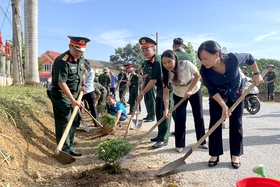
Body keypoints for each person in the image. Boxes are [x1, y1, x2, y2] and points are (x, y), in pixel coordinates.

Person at [197, 40, 263, 169]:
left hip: (236, 94)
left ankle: (235, 154)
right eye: (201, 59)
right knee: (215, 124)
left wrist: (257, 73)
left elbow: (250, 57)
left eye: (205, 58)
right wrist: (223, 105)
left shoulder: (232, 59)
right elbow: (211, 90)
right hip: (218, 97)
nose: (203, 62)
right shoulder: (205, 71)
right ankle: (214, 154)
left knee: (236, 123)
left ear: (217, 55)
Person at [51, 35, 90, 157]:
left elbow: (83, 73)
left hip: (75, 94)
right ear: (70, 46)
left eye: (82, 50)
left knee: (74, 120)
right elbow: (61, 83)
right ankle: (64, 150)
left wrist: (83, 85)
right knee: (65, 120)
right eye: (77, 50)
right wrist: (73, 100)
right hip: (61, 94)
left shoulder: (81, 58)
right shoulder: (62, 61)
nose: (79, 53)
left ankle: (69, 144)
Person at [161, 50, 208, 153]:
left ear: (175, 59)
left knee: (198, 115)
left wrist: (190, 90)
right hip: (179, 94)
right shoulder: (166, 74)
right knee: (180, 118)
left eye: (169, 61)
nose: (167, 65)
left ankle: (202, 141)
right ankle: (180, 144)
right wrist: (166, 109)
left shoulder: (186, 64)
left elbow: (197, 75)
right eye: (164, 63)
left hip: (194, 90)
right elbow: (166, 93)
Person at [136, 37, 173, 149]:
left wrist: (142, 93)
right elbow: (153, 76)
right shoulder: (151, 61)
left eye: (147, 49)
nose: (145, 52)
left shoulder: (157, 60)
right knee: (158, 112)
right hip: (160, 89)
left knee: (164, 113)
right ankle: (160, 135)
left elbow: (154, 80)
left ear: (154, 49)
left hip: (166, 89)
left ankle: (163, 139)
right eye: (143, 50)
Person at [82, 59, 98, 126]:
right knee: (78, 107)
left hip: (89, 91)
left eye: (87, 68)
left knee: (93, 107)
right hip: (81, 91)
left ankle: (96, 123)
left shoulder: (92, 72)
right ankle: (77, 123)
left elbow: (88, 83)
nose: (86, 69)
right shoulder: (81, 71)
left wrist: (84, 86)